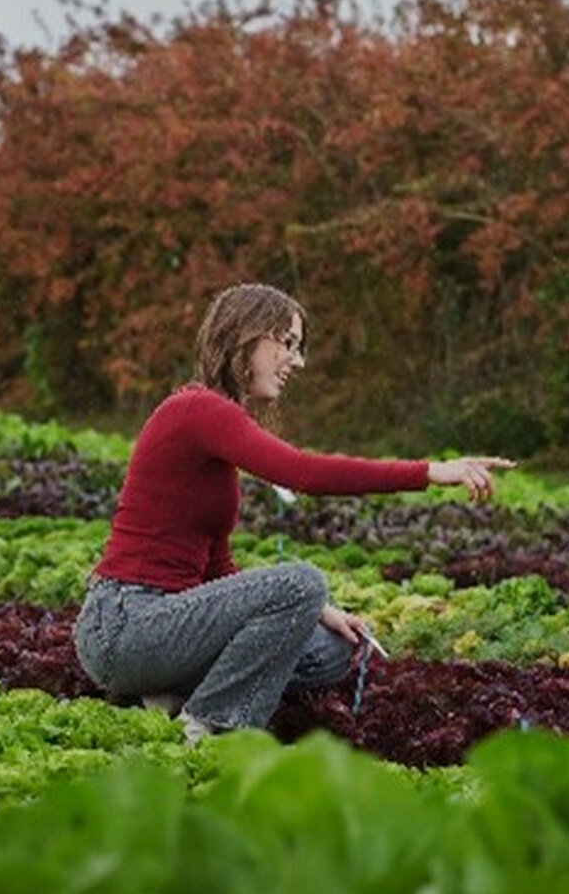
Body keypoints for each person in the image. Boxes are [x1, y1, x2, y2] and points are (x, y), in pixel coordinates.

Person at [73, 281, 514, 743]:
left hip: (165, 629)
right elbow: (304, 473)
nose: (297, 362)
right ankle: (208, 725)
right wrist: (429, 472)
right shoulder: (195, 410)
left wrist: (315, 612)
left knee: (332, 649)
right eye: (287, 344)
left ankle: (162, 694)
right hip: (124, 625)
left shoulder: (216, 425)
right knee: (302, 580)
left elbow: (216, 567)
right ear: (245, 336)